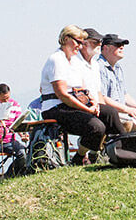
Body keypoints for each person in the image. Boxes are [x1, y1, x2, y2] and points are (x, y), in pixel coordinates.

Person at [38, 25, 110, 165]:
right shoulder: (56, 59)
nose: (80, 46)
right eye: (78, 42)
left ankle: (119, 146)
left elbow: (83, 89)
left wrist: (93, 103)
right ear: (66, 39)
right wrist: (87, 109)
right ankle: (79, 158)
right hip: (55, 107)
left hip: (71, 104)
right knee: (96, 126)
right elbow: (63, 95)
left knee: (109, 113)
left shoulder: (73, 61)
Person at [97, 33, 136, 131]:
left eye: (122, 45)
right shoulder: (99, 67)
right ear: (106, 48)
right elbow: (103, 98)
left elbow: (124, 95)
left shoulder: (118, 68)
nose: (122, 47)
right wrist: (127, 109)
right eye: (117, 45)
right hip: (111, 115)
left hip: (123, 113)